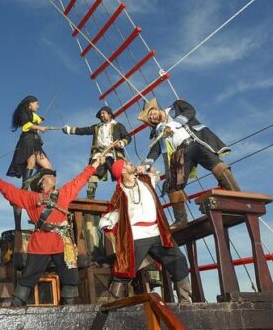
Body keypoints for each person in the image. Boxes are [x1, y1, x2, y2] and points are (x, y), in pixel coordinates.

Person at [0, 156, 104, 306]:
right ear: (41, 182)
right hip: (41, 242)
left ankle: (69, 307)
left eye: (53, 176)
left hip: (62, 241)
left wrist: (95, 163)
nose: (54, 178)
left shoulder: (63, 193)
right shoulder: (31, 198)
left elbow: (80, 179)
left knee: (70, 274)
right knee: (29, 274)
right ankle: (17, 304)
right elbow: (9, 190)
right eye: (50, 176)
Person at [137, 98, 241, 229]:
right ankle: (181, 220)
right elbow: (155, 150)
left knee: (217, 165)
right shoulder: (159, 131)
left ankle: (237, 197)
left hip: (195, 142)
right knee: (172, 186)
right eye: (150, 118)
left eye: (151, 113)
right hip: (180, 153)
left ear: (156, 109)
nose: (152, 117)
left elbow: (190, 111)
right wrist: (145, 165)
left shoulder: (176, 107)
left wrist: (172, 125)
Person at [99, 159, 192, 303]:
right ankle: (111, 304)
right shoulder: (119, 192)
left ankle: (186, 302)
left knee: (179, 260)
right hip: (137, 236)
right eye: (128, 164)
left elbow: (155, 174)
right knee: (124, 270)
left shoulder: (145, 180)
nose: (131, 164)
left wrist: (149, 168)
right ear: (123, 171)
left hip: (158, 233)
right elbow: (114, 212)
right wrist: (107, 223)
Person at [62, 105, 131, 199]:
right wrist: (69, 130)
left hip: (113, 153)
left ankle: (123, 195)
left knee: (120, 173)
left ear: (110, 115)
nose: (101, 115)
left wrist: (121, 142)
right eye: (100, 114)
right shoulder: (96, 127)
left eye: (103, 113)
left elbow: (128, 137)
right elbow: (84, 130)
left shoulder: (118, 126)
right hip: (99, 154)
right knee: (93, 172)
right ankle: (90, 196)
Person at [7, 95, 53, 187]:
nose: (38, 106)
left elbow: (36, 119)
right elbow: (26, 125)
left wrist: (40, 120)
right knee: (31, 163)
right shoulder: (22, 112)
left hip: (35, 142)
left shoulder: (32, 115)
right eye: (37, 104)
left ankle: (35, 184)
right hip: (28, 140)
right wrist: (39, 127)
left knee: (48, 167)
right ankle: (25, 188)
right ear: (30, 104)